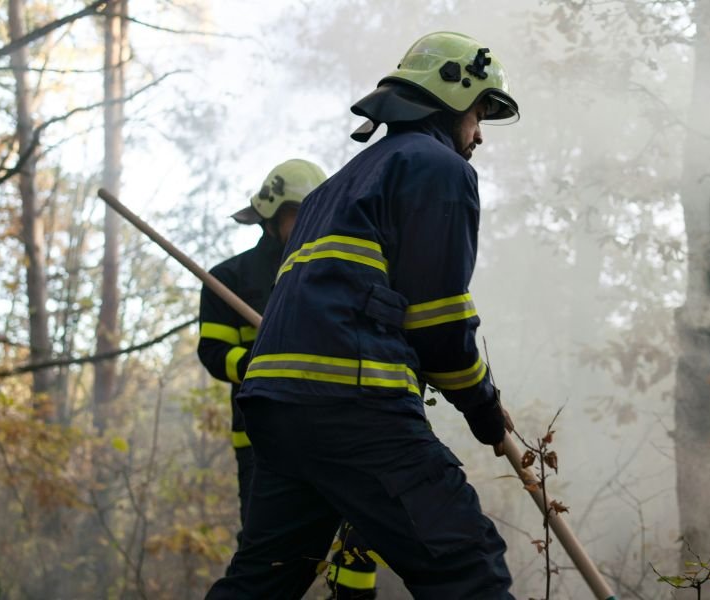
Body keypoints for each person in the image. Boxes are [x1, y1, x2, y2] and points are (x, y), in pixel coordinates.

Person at [206, 31, 520, 599]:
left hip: (278, 414)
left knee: (262, 582)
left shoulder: (335, 186)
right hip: (353, 407)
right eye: (479, 115)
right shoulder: (436, 169)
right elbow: (438, 322)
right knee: (467, 566)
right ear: (455, 95)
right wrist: (484, 407)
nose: (478, 136)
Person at [197, 159, 380, 598]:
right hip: (264, 444)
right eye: (297, 212)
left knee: (361, 544)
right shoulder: (230, 279)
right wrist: (271, 358)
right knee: (270, 558)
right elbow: (214, 354)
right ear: (272, 216)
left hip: (338, 433)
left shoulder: (337, 274)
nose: (306, 223)